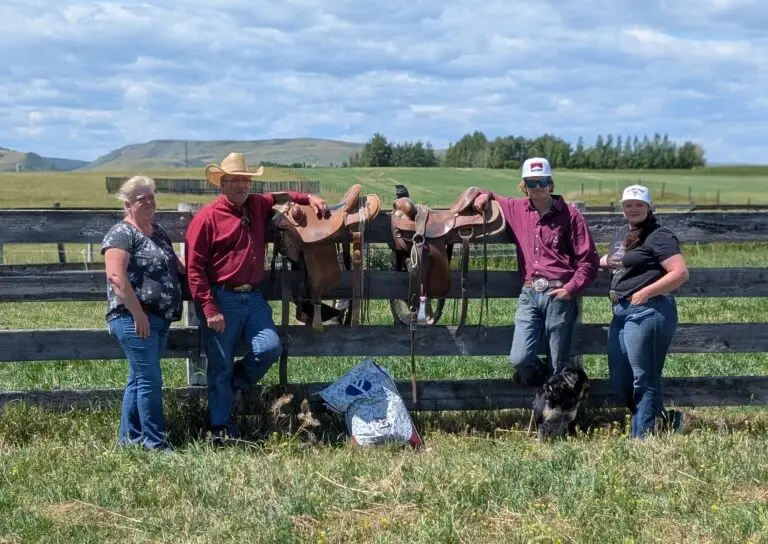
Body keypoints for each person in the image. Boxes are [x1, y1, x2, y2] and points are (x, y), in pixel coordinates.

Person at [185, 152, 328, 442]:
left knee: (270, 346)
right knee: (220, 363)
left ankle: (238, 384)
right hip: (221, 298)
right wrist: (209, 307)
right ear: (221, 184)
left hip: (252, 298)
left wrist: (308, 197)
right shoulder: (206, 218)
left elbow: (281, 195)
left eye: (245, 180)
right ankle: (219, 427)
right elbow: (194, 267)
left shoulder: (257, 205)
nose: (241, 186)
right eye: (234, 181)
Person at [472, 157, 600, 386]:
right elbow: (487, 192)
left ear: (550, 184)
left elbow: (589, 259)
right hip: (530, 293)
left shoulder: (571, 215)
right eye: (532, 183)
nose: (538, 187)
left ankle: (558, 415)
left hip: (559, 294)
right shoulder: (515, 208)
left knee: (557, 362)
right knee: (519, 358)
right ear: (524, 186)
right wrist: (483, 195)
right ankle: (550, 387)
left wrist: (570, 289)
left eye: (542, 182)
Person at [101, 175, 184, 451]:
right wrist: (138, 314)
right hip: (133, 317)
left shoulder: (157, 231)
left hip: (158, 317)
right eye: (142, 198)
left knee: (138, 378)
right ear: (128, 204)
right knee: (150, 379)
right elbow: (115, 276)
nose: (149, 202)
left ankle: (129, 440)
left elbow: (176, 264)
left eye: (151, 196)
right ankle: (154, 442)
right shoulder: (121, 233)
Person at [600, 184, 689, 438]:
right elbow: (615, 261)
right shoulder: (622, 233)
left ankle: (643, 439)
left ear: (649, 208)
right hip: (621, 311)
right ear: (622, 208)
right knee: (620, 381)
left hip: (648, 310)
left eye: (639, 205)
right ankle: (665, 420)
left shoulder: (659, 235)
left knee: (644, 377)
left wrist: (645, 293)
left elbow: (680, 273)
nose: (634, 209)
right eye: (629, 204)